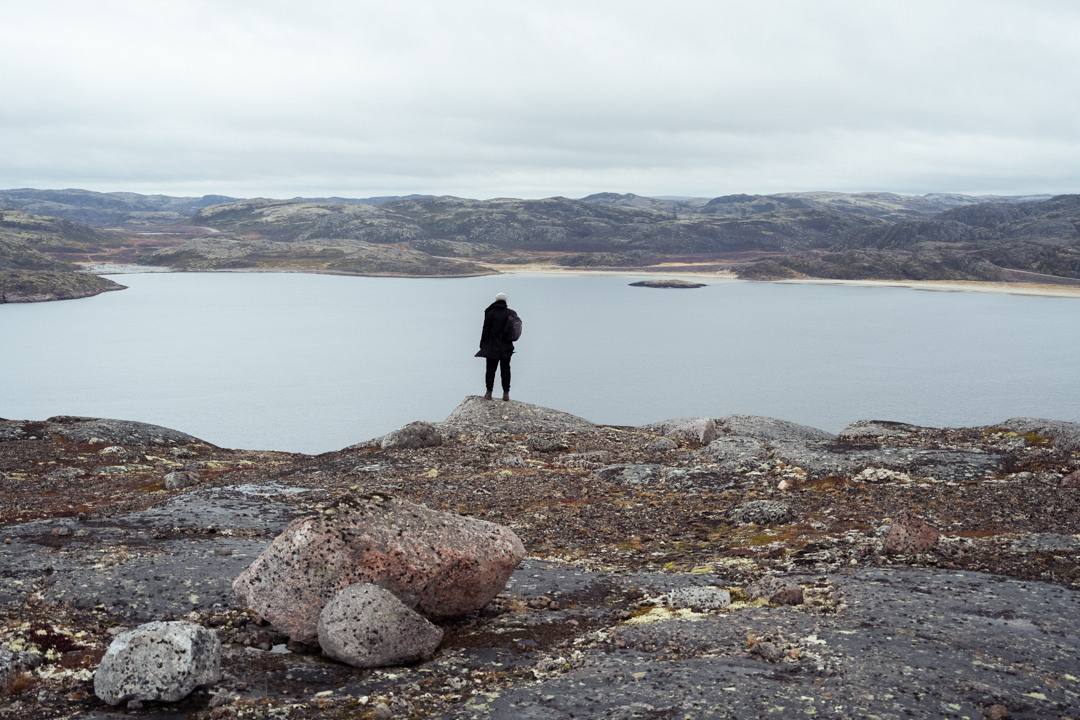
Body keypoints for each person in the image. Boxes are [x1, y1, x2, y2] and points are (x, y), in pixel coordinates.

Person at [475, 292, 518, 401]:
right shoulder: (511, 313)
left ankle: (489, 393)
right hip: (507, 346)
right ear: (505, 300)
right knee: (506, 369)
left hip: (492, 346)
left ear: (496, 300)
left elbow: (485, 330)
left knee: (490, 369)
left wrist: (482, 344)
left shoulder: (491, 313)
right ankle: (506, 394)